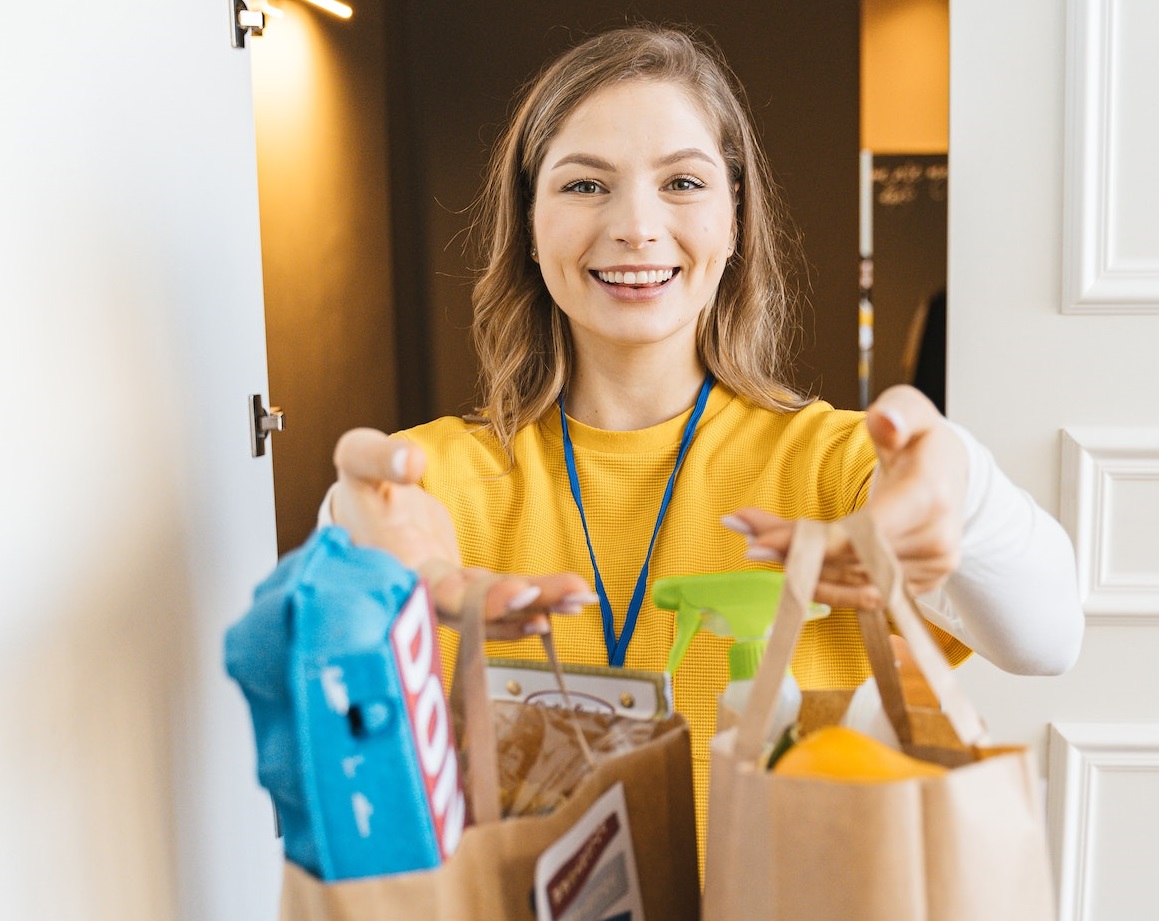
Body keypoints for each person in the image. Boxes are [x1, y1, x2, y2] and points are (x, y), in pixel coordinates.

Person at [328, 24, 1084, 852]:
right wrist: (345, 550)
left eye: (682, 181)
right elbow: (330, 744)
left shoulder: (838, 466)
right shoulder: (430, 484)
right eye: (585, 186)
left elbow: (1046, 636)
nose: (636, 226)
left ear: (734, 219)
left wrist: (958, 489)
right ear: (530, 223)